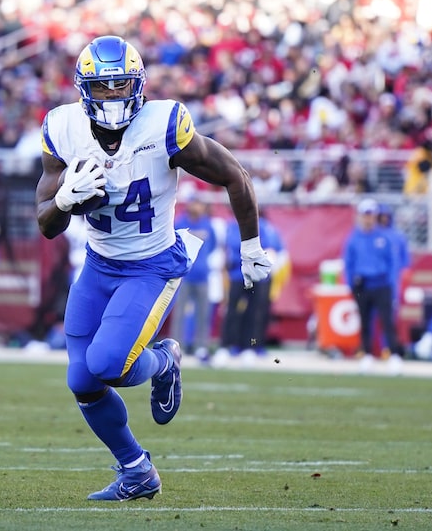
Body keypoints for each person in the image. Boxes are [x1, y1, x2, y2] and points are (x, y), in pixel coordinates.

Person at [34, 35, 272, 501]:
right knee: (81, 379)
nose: (111, 96)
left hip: (150, 265)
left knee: (106, 363)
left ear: (137, 85)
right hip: (99, 265)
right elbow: (45, 222)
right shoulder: (62, 128)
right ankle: (137, 470)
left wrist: (250, 245)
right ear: (83, 90)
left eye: (120, 85)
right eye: (101, 88)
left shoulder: (165, 125)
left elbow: (233, 174)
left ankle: (165, 358)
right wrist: (63, 199)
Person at [342, 198, 405, 375]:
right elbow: (348, 263)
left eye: (371, 215)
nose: (368, 219)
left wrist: (392, 285)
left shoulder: (384, 237)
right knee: (364, 321)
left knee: (387, 321)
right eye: (365, 215)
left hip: (382, 284)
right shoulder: (353, 238)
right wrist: (349, 284)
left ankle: (394, 355)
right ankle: (367, 355)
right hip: (362, 285)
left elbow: (393, 263)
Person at [217, 209, 287, 366]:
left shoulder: (263, 226)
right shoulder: (233, 226)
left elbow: (270, 251)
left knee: (254, 314)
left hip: (258, 276)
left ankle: (250, 348)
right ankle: (226, 346)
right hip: (238, 274)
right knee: (232, 312)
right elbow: (230, 250)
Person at [170, 194, 217, 356]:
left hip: (203, 275)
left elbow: (213, 246)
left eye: (199, 204)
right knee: (180, 313)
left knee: (203, 313)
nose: (197, 207)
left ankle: (201, 346)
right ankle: (176, 345)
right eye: (194, 203)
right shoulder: (181, 223)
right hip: (184, 275)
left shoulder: (207, 224)